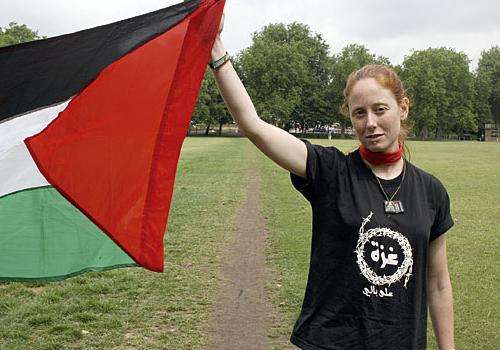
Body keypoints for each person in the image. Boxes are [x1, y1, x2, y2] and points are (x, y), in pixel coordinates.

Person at [209, 15, 455, 350]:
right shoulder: (331, 171)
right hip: (331, 342)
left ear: (403, 108)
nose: (370, 123)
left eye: (380, 109)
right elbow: (254, 126)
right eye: (359, 113)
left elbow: (438, 283)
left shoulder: (431, 191)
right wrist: (216, 48)